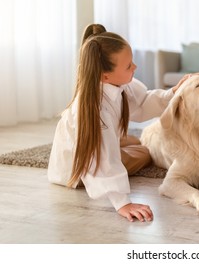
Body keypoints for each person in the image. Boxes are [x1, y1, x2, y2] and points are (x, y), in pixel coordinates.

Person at [48, 24, 188, 222]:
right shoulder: (92, 110)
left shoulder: (116, 84)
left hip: (91, 147)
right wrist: (122, 202)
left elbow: (142, 103)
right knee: (145, 151)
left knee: (130, 139)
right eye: (129, 65)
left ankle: (125, 143)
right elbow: (100, 158)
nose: (135, 67)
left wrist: (173, 92)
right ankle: (131, 149)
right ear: (105, 74)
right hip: (77, 172)